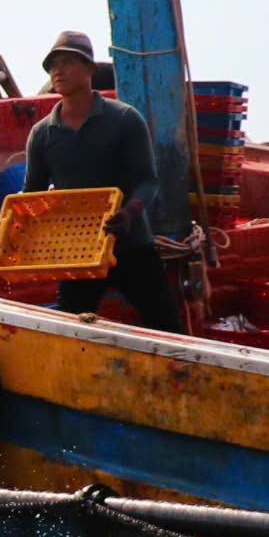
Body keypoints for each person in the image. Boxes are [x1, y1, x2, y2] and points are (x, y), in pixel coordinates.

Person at [20, 30, 183, 332]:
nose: (58, 70)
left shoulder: (124, 119)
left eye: (67, 62)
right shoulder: (43, 134)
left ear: (90, 69)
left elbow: (148, 181)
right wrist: (4, 233)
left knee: (167, 331)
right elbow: (31, 196)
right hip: (77, 253)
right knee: (72, 334)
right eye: (53, 65)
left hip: (131, 246)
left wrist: (129, 213)